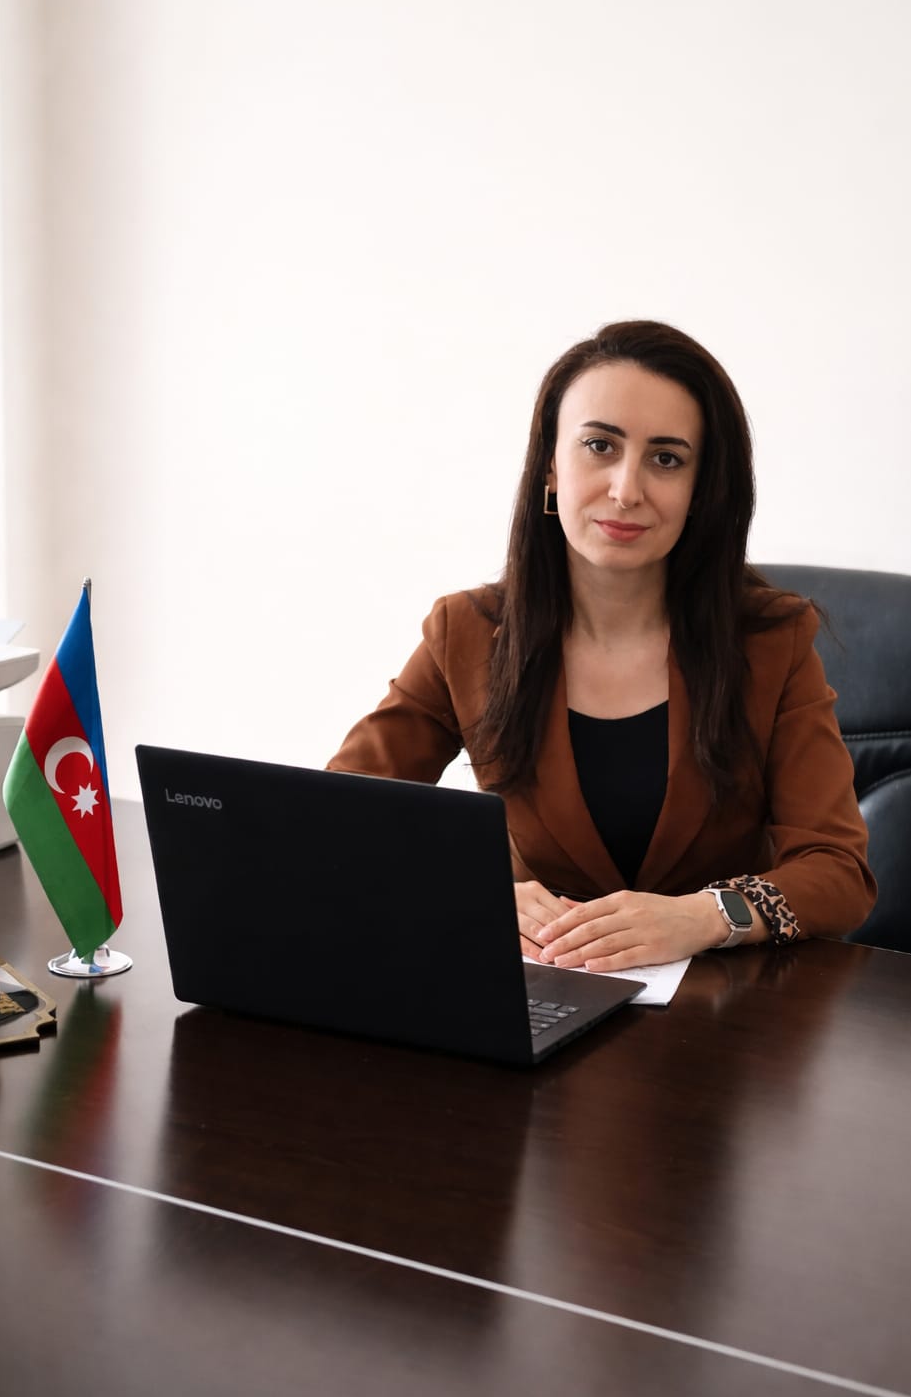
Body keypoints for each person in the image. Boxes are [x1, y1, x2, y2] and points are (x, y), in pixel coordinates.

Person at [328, 320, 876, 968]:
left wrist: (704, 915)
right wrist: (471, 889)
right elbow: (336, 818)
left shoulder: (772, 639)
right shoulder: (467, 632)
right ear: (551, 466)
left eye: (666, 459)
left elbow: (838, 870)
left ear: (700, 490)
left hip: (725, 1003)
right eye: (599, 446)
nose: (625, 490)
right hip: (543, 989)